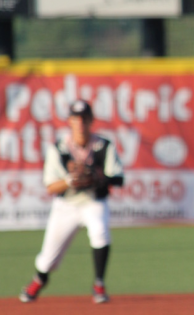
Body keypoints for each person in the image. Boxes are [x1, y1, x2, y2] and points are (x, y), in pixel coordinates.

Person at [19, 100, 124, 304]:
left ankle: (99, 284)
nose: (80, 123)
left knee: (100, 232)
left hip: (94, 201)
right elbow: (50, 187)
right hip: (66, 205)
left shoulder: (103, 146)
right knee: (48, 257)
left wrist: (97, 178)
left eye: (84, 118)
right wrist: (70, 180)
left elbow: (118, 178)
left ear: (91, 120)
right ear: (69, 121)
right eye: (76, 118)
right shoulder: (58, 148)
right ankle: (38, 280)